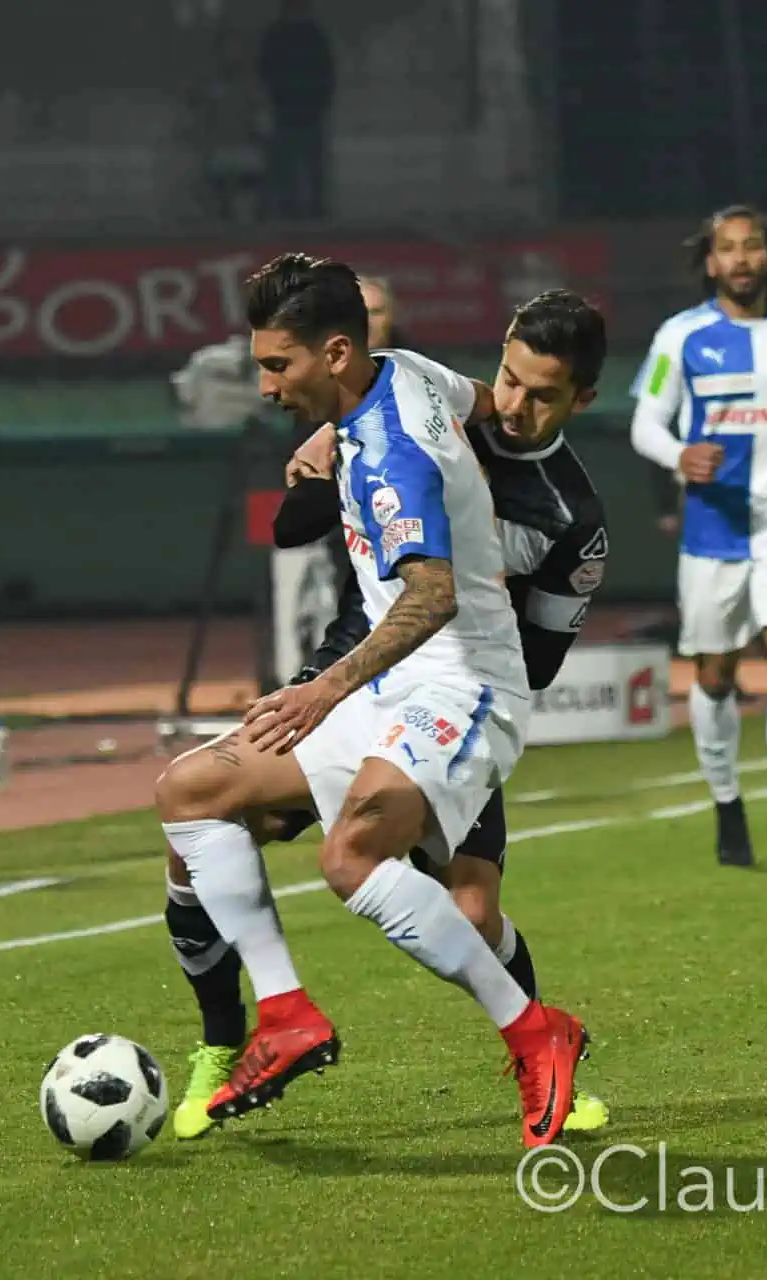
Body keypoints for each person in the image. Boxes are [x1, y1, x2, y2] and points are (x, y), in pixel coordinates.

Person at [152, 254, 588, 1149]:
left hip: (465, 683)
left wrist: (324, 687)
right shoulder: (407, 373)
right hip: (393, 680)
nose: (266, 385)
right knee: (187, 792)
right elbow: (480, 405)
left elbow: (434, 595)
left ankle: (533, 1031)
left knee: (352, 859)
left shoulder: (393, 451)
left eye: (279, 366)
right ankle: (284, 1014)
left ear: (338, 351)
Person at [628, 204, 767, 870]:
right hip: (712, 526)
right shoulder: (680, 337)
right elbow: (646, 421)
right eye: (725, 248)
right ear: (709, 262)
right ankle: (727, 804)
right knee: (714, 673)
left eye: (750, 246)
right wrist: (679, 457)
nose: (739, 259)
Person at [256, 0, 336, 218]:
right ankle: (305, 208)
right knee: (299, 162)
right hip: (298, 107)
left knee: (298, 162)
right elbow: (326, 72)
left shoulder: (280, 34)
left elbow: (265, 70)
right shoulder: (313, 35)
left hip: (294, 107)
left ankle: (301, 208)